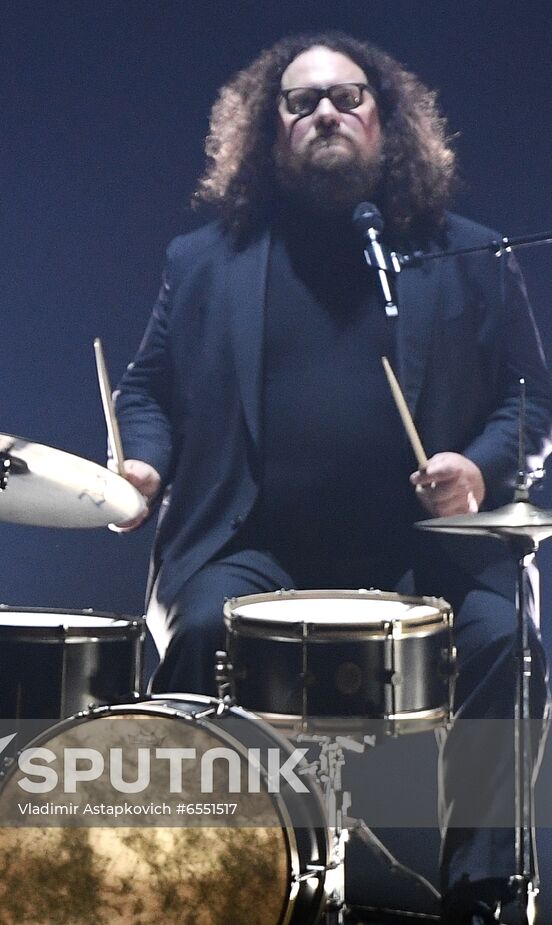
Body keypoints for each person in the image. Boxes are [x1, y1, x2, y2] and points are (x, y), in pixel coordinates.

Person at [112, 32, 552, 925]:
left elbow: (530, 401)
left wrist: (479, 467)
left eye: (347, 98)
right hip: (254, 544)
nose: (325, 114)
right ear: (266, 132)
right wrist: (144, 462)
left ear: (386, 122)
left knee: (505, 633)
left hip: (423, 553)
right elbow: (146, 388)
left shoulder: (467, 253)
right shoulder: (201, 262)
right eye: (300, 100)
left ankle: (483, 890)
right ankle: (198, 875)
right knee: (195, 628)